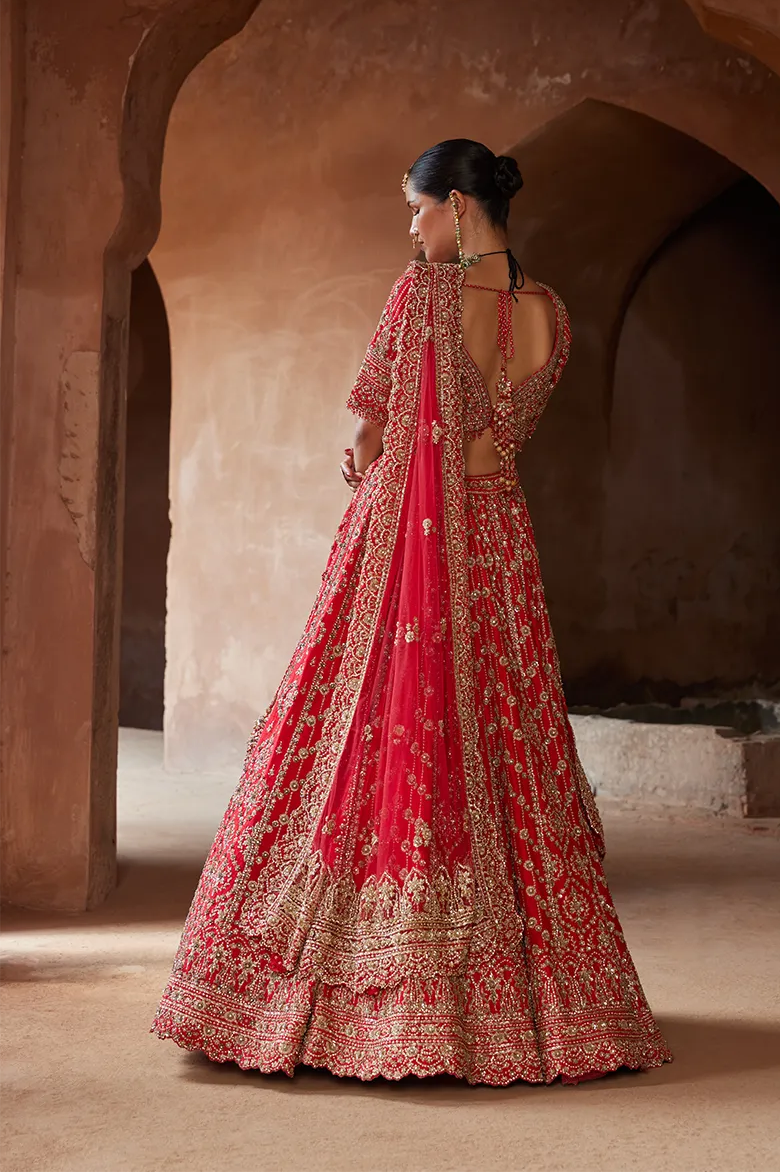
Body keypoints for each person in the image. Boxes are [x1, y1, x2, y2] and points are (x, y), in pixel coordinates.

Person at [151, 139, 672, 1085]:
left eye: (418, 208)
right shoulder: (551, 314)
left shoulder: (420, 298)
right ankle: (544, 1011)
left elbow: (367, 432)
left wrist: (367, 452)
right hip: (498, 551)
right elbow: (497, 433)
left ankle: (346, 1005)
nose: (411, 227)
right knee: (505, 747)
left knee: (373, 735)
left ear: (460, 207)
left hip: (405, 552)